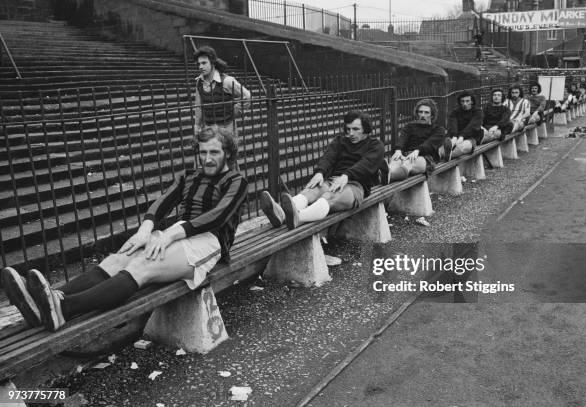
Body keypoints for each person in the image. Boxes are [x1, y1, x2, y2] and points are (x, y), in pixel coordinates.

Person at [1, 126, 248, 331]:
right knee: (117, 259)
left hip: (208, 243)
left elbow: (217, 217)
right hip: (176, 236)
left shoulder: (236, 182)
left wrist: (170, 233)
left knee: (142, 266)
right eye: (203, 152)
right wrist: (145, 230)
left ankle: (63, 308)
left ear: (228, 153)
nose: (207, 158)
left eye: (214, 152)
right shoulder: (189, 176)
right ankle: (44, 300)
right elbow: (162, 202)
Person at [259, 111, 384, 230]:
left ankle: (298, 217)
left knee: (328, 197)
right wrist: (320, 172)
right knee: (310, 192)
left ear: (366, 129)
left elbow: (366, 164)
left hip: (356, 186)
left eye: (356, 129)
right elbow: (328, 157)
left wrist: (346, 176)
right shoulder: (340, 141)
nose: (351, 133)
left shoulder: (375, 145)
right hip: (332, 181)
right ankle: (280, 214)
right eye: (348, 129)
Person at [388, 98, 451, 183]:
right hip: (406, 155)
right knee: (394, 162)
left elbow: (430, 144)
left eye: (426, 112)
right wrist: (398, 150)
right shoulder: (409, 127)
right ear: (417, 113)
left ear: (432, 115)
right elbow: (402, 139)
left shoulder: (438, 129)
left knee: (408, 163)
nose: (423, 115)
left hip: (426, 158)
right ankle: (386, 176)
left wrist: (417, 150)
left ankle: (388, 177)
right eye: (420, 112)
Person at [193, 46, 251, 135]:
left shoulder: (227, 81)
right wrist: (197, 126)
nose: (200, 66)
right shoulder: (199, 82)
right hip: (209, 130)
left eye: (204, 63)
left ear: (212, 63)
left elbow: (247, 96)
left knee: (228, 149)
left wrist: (234, 111)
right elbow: (198, 106)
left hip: (227, 129)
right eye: (199, 64)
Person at [447, 91, 483, 159]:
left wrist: (462, 136)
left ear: (472, 101)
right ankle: (446, 153)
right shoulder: (455, 112)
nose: (465, 103)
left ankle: (448, 155)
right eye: (462, 101)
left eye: (467, 101)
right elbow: (452, 123)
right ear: (460, 102)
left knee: (464, 146)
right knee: (448, 144)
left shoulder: (477, 111)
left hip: (471, 138)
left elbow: (473, 126)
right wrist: (454, 136)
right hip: (456, 137)